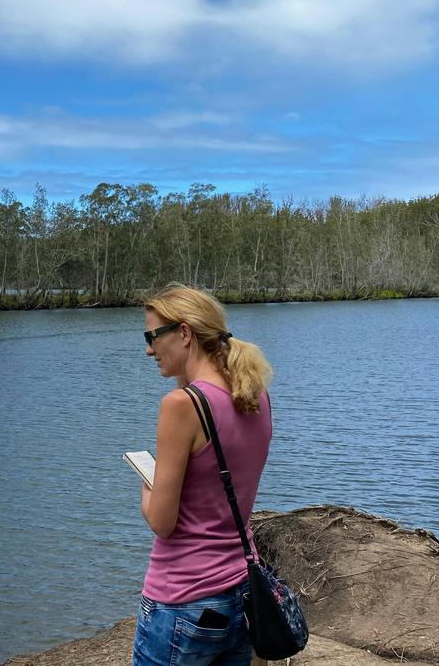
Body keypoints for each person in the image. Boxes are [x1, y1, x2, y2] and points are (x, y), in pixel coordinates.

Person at [132, 284, 274, 666]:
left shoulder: (181, 406)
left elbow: (162, 522)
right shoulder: (255, 394)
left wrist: (148, 482)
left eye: (151, 336)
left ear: (184, 333)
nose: (148, 349)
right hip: (239, 592)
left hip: (182, 600)